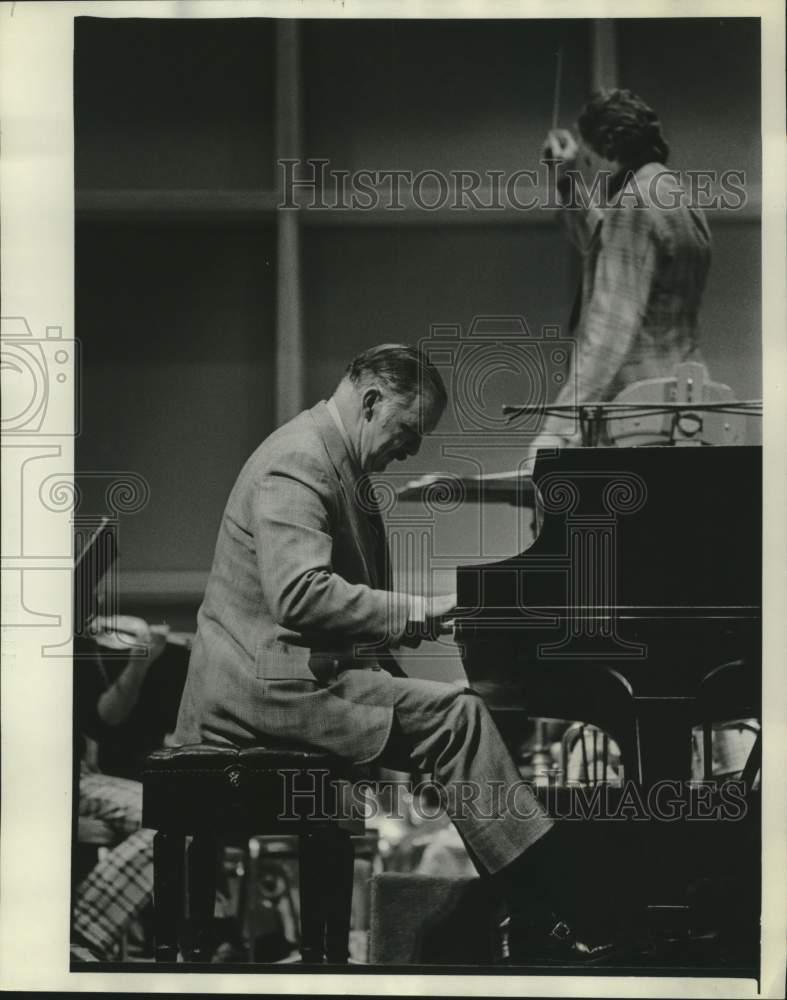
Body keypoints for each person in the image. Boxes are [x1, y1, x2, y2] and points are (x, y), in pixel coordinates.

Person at [174, 343, 626, 962]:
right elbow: (299, 595)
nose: (412, 450)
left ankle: (540, 914)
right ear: (370, 401)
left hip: (292, 677)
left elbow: (343, 617)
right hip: (262, 688)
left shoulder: (337, 465)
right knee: (460, 718)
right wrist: (422, 609)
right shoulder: (298, 462)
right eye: (408, 431)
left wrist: (409, 659)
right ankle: (552, 913)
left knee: (454, 714)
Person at [532, 88, 712, 451]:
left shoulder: (632, 204)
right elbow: (608, 246)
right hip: (689, 404)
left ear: (607, 149)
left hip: (643, 417)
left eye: (585, 158)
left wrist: (558, 426)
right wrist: (566, 181)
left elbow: (610, 328)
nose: (585, 166)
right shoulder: (673, 194)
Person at [71, 615, 168, 961]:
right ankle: (80, 934)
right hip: (52, 779)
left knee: (178, 813)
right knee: (173, 815)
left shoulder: (81, 645)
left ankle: (82, 932)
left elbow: (103, 719)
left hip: (79, 776)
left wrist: (140, 659)